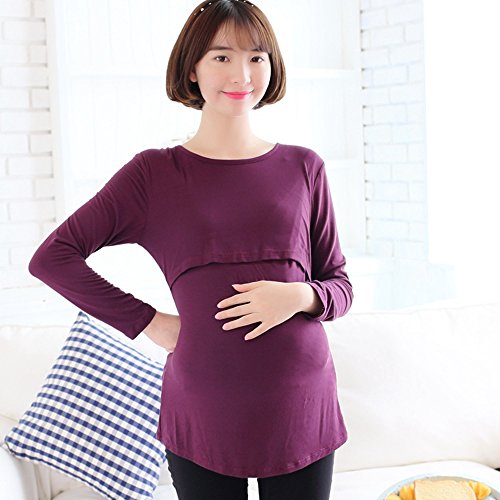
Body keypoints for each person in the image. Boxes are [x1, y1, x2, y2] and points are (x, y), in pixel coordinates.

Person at [28, 0, 354, 498]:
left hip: (301, 402)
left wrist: (299, 296)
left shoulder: (304, 167)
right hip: (203, 406)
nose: (242, 74)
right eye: (222, 57)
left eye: (257, 57)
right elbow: (53, 258)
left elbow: (339, 284)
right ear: (193, 68)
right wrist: (149, 322)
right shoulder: (154, 174)